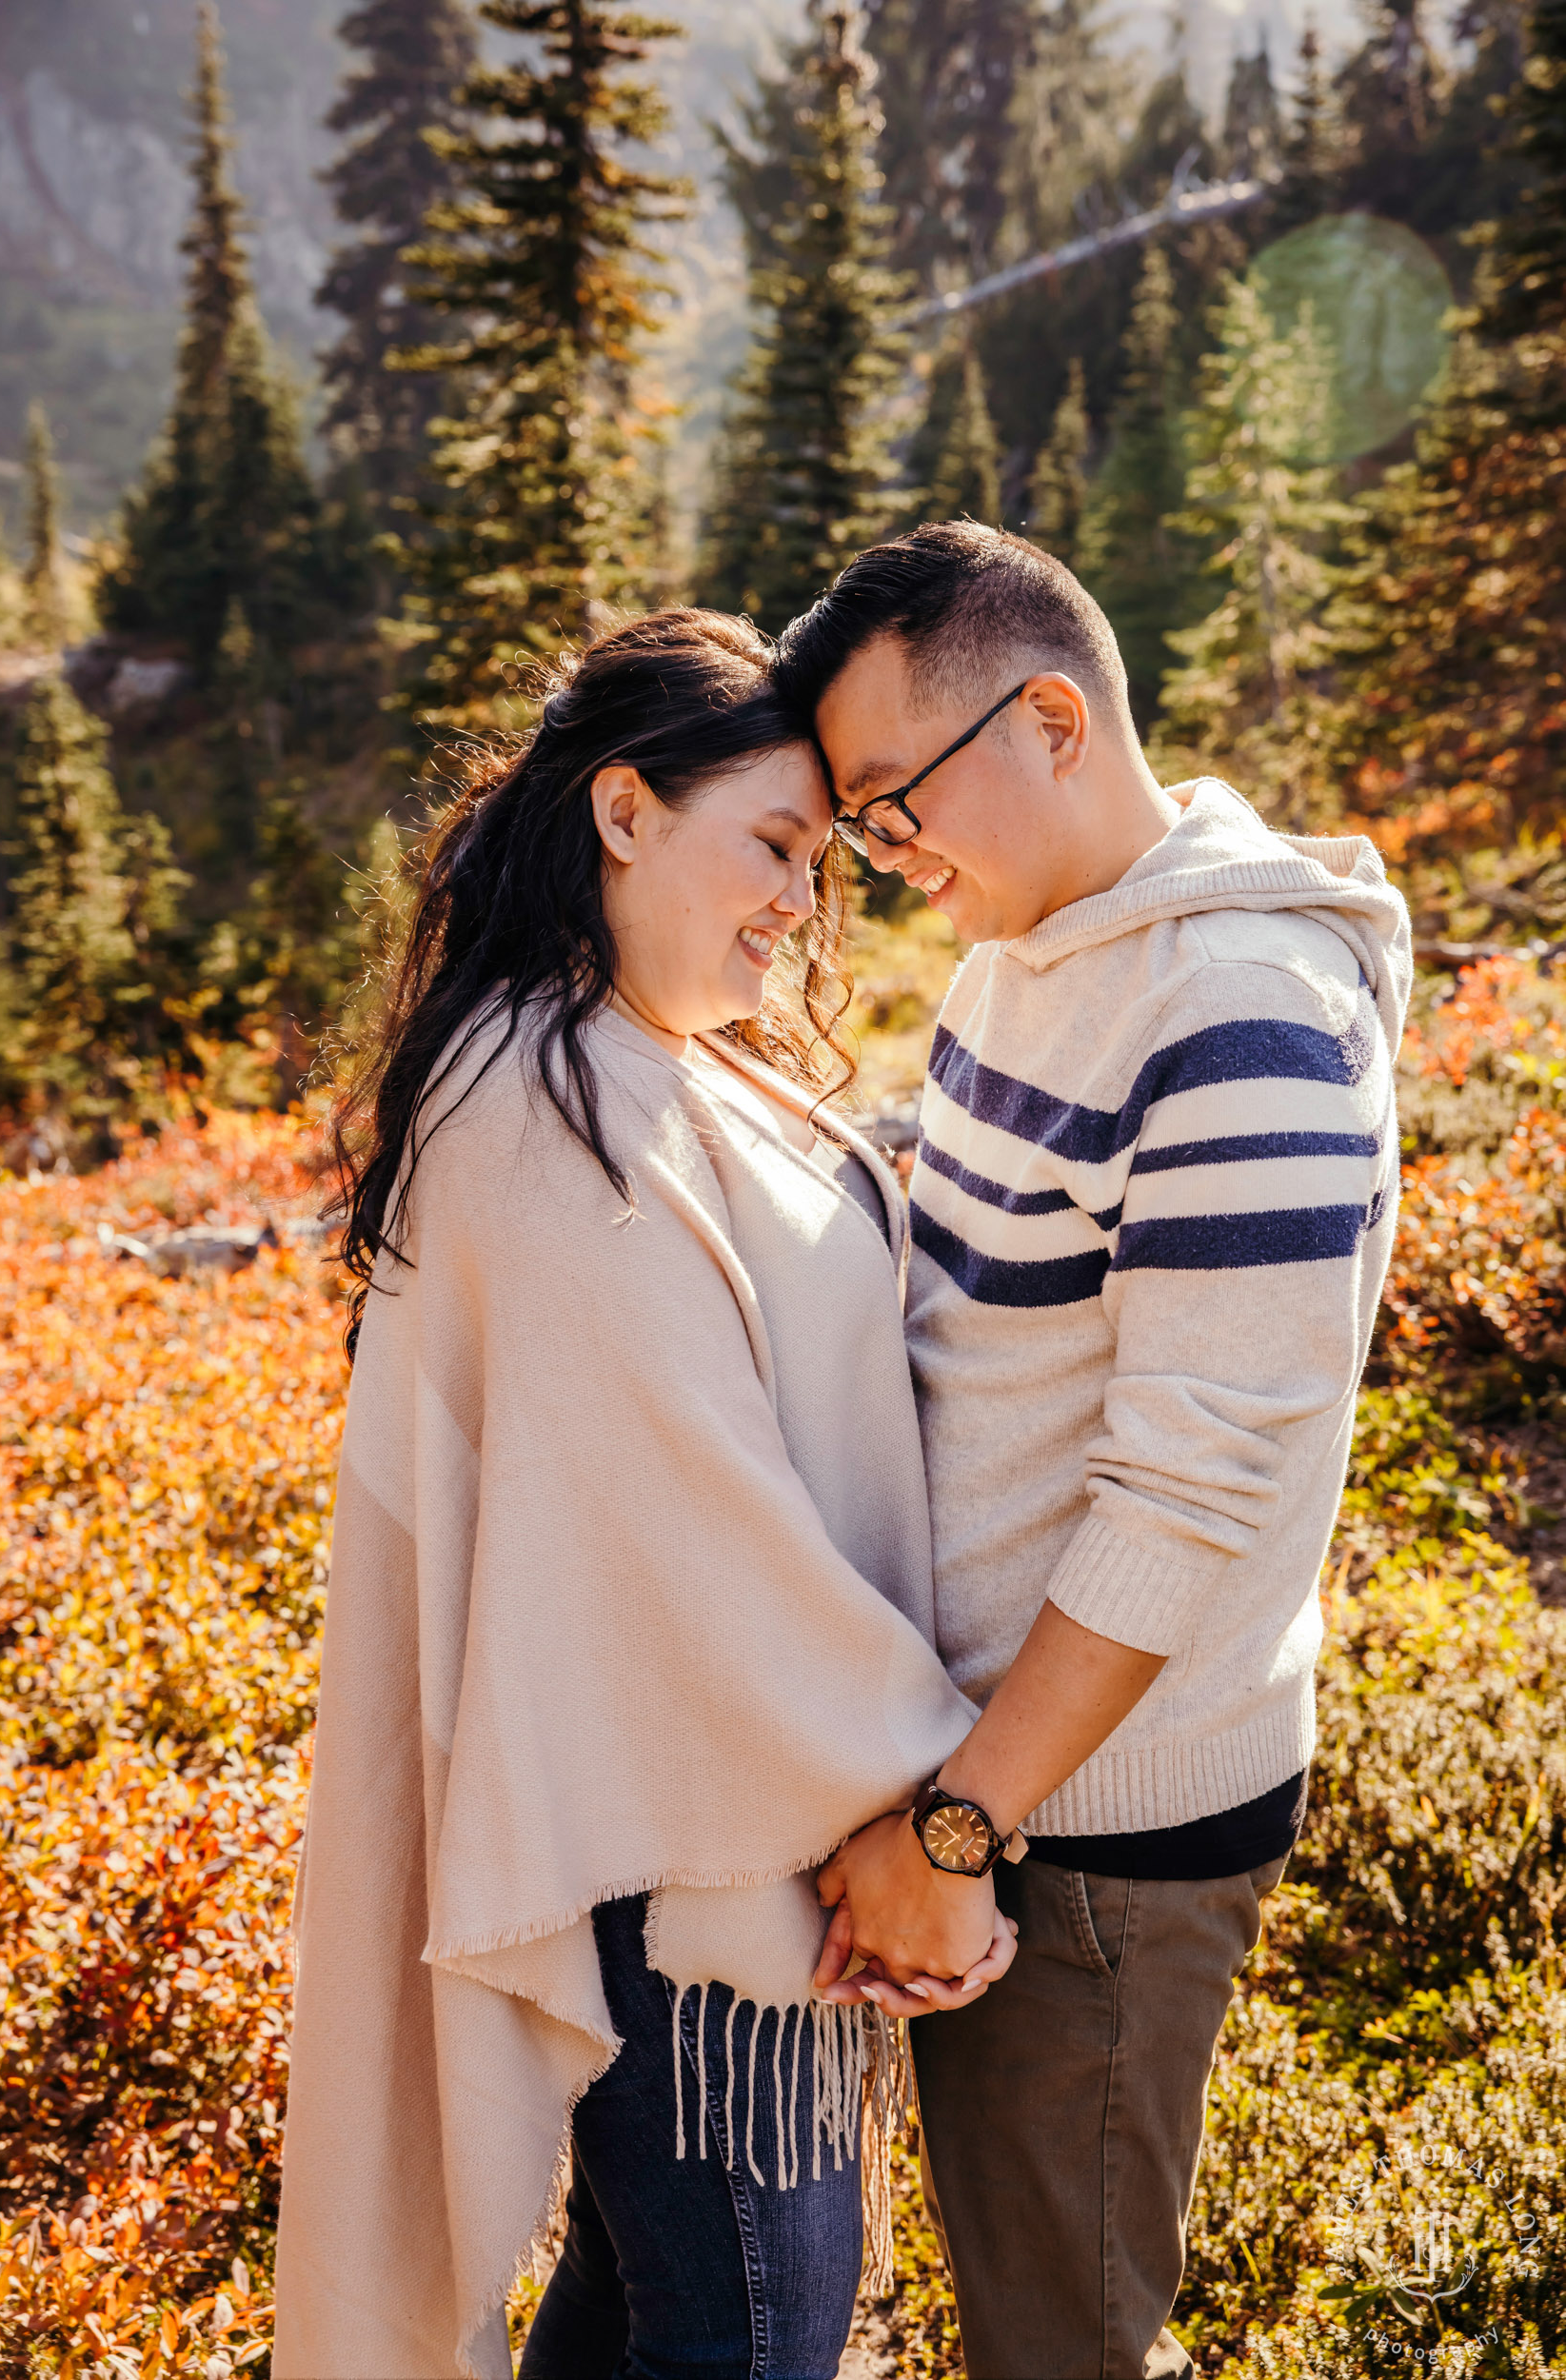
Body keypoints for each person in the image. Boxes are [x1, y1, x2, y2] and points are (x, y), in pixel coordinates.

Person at [270, 608, 1015, 2380]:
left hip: (711, 1848)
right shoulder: (542, 1109)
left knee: (640, 2324)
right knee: (746, 2343)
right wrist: (938, 1824)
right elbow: (699, 1544)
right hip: (704, 1887)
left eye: (825, 867)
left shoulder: (639, 1061)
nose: (801, 905)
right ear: (623, 813)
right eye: (770, 845)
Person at [785, 524, 1412, 2380]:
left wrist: (962, 1823)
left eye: (896, 801)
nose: (893, 863)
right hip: (992, 1786)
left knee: (1056, 2338)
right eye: (860, 823)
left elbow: (1184, 1495)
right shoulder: (1035, 949)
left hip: (1092, 1839)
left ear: (1049, 715)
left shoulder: (1236, 1018)